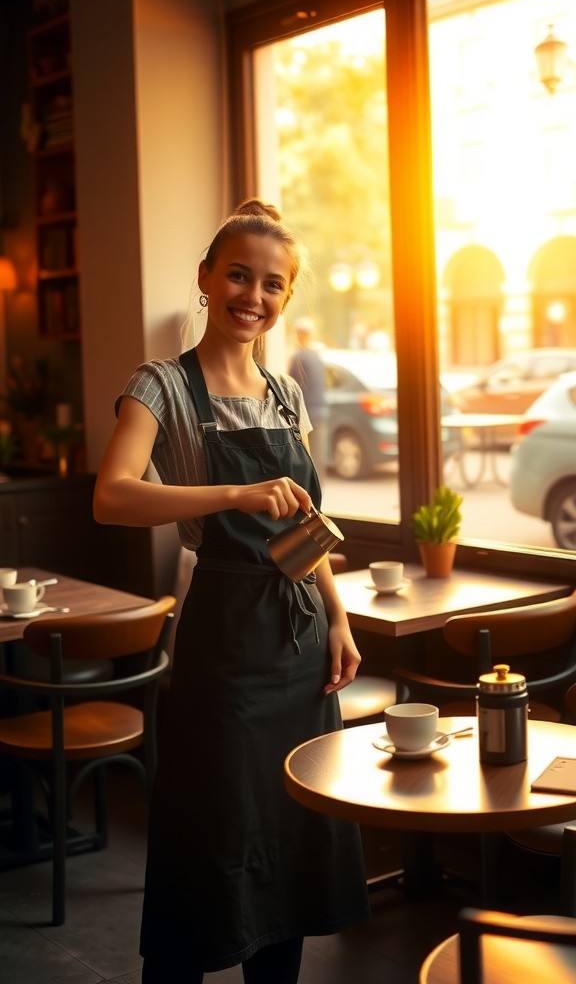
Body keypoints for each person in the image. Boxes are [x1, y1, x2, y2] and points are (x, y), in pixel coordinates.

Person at [93, 199, 370, 984]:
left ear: (287, 298)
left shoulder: (285, 392)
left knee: (293, 834)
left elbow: (309, 521)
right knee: (210, 836)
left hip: (302, 640)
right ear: (207, 280)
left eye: (274, 284)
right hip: (225, 646)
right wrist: (231, 497)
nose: (255, 295)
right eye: (240, 275)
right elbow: (111, 496)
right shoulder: (162, 387)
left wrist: (340, 618)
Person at [288, 317, 328, 479]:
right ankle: (319, 492)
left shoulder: (299, 357)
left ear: (299, 335)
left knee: (306, 456)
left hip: (306, 414)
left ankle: (310, 493)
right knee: (318, 456)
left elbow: (292, 388)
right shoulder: (316, 356)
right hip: (320, 412)